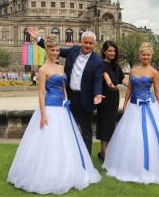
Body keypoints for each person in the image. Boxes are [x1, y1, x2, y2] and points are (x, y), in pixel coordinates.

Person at [7, 35, 101, 195]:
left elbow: (64, 86)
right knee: (47, 140)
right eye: (52, 50)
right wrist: (43, 114)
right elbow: (41, 94)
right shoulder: (43, 69)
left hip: (63, 109)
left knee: (66, 140)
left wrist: (66, 100)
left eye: (57, 50)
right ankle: (44, 172)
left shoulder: (61, 68)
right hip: (49, 108)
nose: (56, 53)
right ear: (47, 51)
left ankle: (66, 169)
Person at [102, 42, 159, 184]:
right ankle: (129, 165)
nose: (146, 57)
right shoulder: (133, 71)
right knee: (131, 136)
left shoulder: (154, 72)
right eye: (143, 54)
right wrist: (125, 103)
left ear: (151, 56)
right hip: (134, 106)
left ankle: (154, 167)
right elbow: (129, 89)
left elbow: (157, 92)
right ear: (139, 55)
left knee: (152, 136)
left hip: (149, 106)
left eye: (148, 55)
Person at [27, 27, 104, 155]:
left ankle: (85, 160)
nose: (88, 45)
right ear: (81, 42)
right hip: (68, 98)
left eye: (91, 43)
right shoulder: (73, 50)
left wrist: (97, 94)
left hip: (85, 99)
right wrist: (38, 39)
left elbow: (98, 80)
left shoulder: (98, 61)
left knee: (86, 132)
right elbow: (56, 50)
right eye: (85, 42)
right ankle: (69, 157)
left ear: (94, 45)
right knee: (67, 130)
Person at [96, 40, 128, 161]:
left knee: (110, 125)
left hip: (114, 98)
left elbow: (123, 80)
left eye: (114, 51)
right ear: (104, 51)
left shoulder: (116, 66)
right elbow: (106, 77)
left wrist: (136, 85)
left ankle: (104, 152)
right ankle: (104, 154)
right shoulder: (101, 64)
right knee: (105, 125)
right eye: (110, 50)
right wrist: (110, 84)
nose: (112, 53)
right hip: (104, 98)